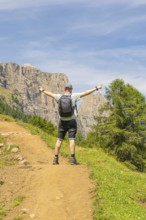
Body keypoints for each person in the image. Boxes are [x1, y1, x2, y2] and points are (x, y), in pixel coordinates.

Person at [39, 83, 102, 165]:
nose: (72, 91)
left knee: (59, 140)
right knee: (71, 139)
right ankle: (72, 159)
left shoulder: (59, 96)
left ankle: (55, 159)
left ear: (65, 89)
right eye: (71, 89)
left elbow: (50, 94)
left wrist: (42, 90)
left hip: (62, 122)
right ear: (69, 89)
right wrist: (96, 88)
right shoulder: (74, 96)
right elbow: (86, 93)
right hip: (71, 121)